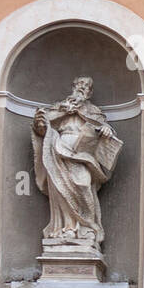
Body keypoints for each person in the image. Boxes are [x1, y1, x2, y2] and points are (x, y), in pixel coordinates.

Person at [31, 76, 122, 248]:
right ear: (73, 86)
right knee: (60, 188)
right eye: (80, 84)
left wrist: (106, 129)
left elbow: (104, 127)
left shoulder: (93, 110)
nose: (82, 88)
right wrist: (58, 114)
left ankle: (87, 228)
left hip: (82, 153)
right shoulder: (59, 107)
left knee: (83, 183)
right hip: (58, 150)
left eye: (86, 86)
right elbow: (41, 128)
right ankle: (65, 228)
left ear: (90, 92)